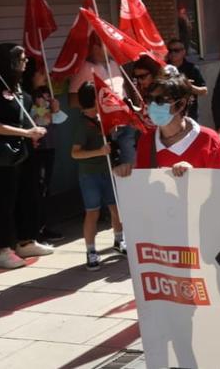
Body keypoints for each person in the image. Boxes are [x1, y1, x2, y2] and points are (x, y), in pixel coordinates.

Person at [0, 43, 52, 269]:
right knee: (4, 201)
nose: (25, 62)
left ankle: (26, 240)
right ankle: (2, 249)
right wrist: (26, 133)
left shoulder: (17, 85)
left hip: (24, 150)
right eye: (21, 59)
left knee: (28, 194)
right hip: (2, 154)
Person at [124, 76, 220, 175]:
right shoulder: (146, 141)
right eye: (149, 100)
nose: (153, 105)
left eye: (160, 100)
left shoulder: (211, 141)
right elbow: (143, 187)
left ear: (181, 104)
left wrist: (195, 176)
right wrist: (125, 173)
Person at [71, 82, 123, 271]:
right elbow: (75, 153)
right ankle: (91, 250)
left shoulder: (102, 120)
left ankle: (119, 240)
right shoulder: (82, 125)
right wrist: (100, 151)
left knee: (116, 207)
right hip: (90, 175)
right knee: (92, 212)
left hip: (107, 171)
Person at [69, 34, 138, 176]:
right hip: (106, 125)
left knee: (132, 163)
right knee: (117, 168)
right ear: (96, 47)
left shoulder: (113, 63)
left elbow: (123, 89)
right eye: (107, 43)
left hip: (126, 120)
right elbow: (74, 99)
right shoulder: (85, 68)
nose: (112, 46)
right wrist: (98, 108)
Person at [22, 58, 65, 243]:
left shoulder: (46, 93)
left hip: (49, 144)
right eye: (40, 73)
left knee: (46, 187)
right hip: (35, 148)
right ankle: (34, 229)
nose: (44, 76)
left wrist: (56, 110)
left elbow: (56, 119)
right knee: (36, 188)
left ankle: (44, 225)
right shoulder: (25, 96)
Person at [165, 39, 208, 120]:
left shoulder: (192, 68)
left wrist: (188, 86)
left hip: (189, 115)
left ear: (183, 52)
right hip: (168, 115)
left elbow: (204, 91)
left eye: (176, 50)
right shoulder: (162, 68)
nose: (173, 53)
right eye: (170, 51)